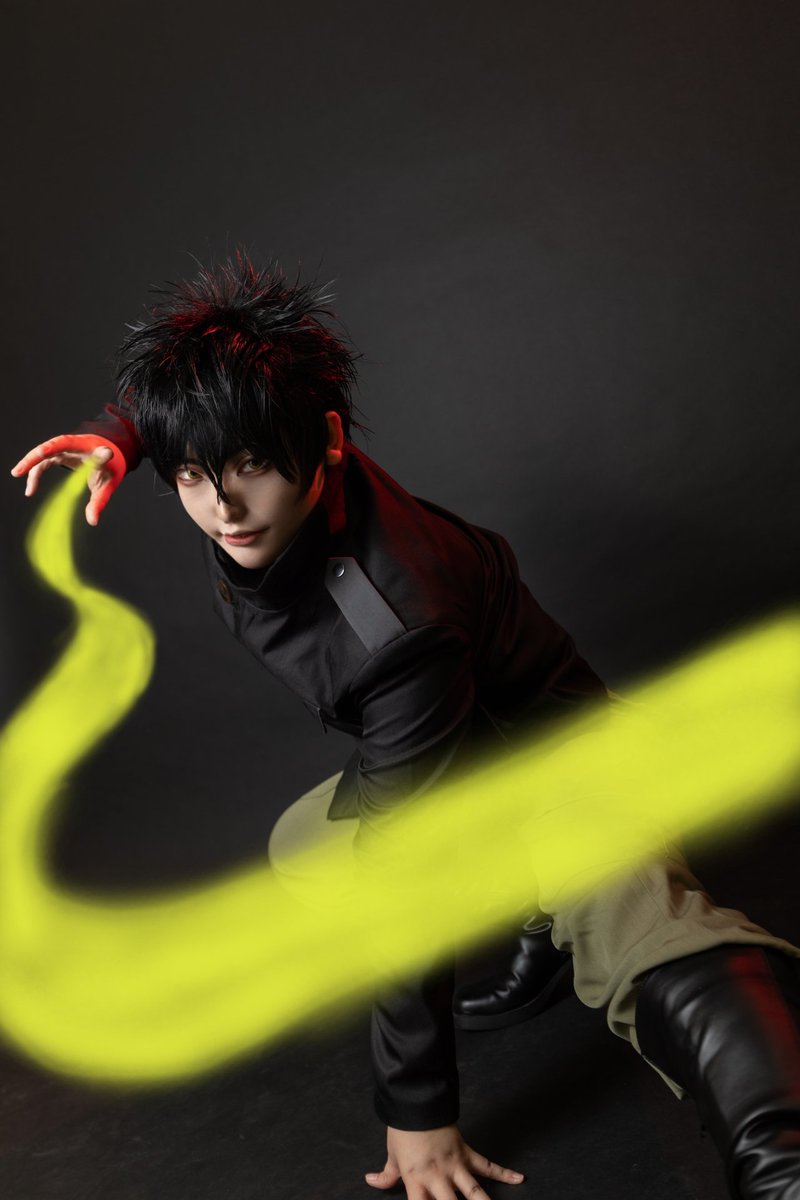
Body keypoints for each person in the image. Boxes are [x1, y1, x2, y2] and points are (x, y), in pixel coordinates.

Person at [11, 252, 800, 1200]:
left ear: (326, 443)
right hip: (462, 751)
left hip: (560, 757)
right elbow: (209, 399)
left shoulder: (396, 624)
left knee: (642, 923)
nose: (223, 508)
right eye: (191, 474)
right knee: (308, 842)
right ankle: (544, 912)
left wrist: (418, 1111)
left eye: (250, 466)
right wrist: (122, 436)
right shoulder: (282, 456)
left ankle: (778, 1157)